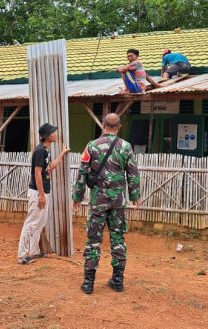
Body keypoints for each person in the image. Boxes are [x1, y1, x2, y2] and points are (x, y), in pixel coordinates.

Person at [72, 113, 140, 294]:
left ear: (103, 126)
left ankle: (88, 283)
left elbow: (82, 173)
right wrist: (135, 195)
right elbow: (133, 173)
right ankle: (118, 281)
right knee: (118, 238)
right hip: (118, 201)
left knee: (93, 240)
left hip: (98, 201)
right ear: (119, 127)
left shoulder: (91, 146)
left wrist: (77, 197)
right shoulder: (126, 146)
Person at [17, 122, 69, 265]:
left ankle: (34, 251)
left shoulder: (46, 150)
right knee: (31, 223)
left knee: (40, 223)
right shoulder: (40, 150)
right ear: (47, 135)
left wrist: (62, 154)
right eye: (53, 132)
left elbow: (49, 168)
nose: (55, 134)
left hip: (44, 191)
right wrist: (41, 195)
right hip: (37, 192)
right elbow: (37, 173)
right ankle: (21, 256)